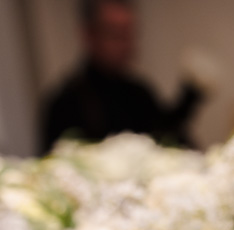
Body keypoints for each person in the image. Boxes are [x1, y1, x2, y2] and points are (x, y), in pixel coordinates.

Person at [39, 0, 206, 153]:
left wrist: (191, 95)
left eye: (129, 34)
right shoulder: (66, 103)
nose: (126, 45)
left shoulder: (138, 91)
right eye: (115, 35)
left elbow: (167, 134)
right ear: (89, 35)